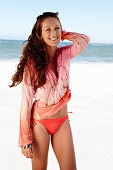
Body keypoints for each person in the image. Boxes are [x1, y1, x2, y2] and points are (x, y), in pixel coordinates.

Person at [9, 12, 90, 170]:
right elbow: (25, 103)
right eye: (48, 30)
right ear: (39, 34)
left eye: (57, 28)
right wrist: (25, 140)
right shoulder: (32, 64)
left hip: (62, 122)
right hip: (40, 124)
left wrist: (62, 35)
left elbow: (84, 40)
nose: (53, 33)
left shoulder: (65, 54)